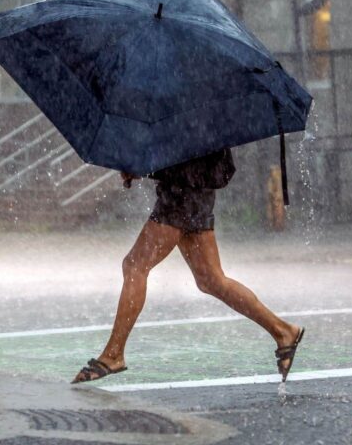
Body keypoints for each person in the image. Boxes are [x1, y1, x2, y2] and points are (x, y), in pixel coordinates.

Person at [72, 149, 305, 383]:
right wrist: (140, 166)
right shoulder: (198, 121)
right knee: (211, 280)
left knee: (135, 266)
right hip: (193, 186)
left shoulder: (197, 121)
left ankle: (114, 354)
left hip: (185, 187)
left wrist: (142, 164)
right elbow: (177, 141)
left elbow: (177, 142)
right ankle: (283, 331)